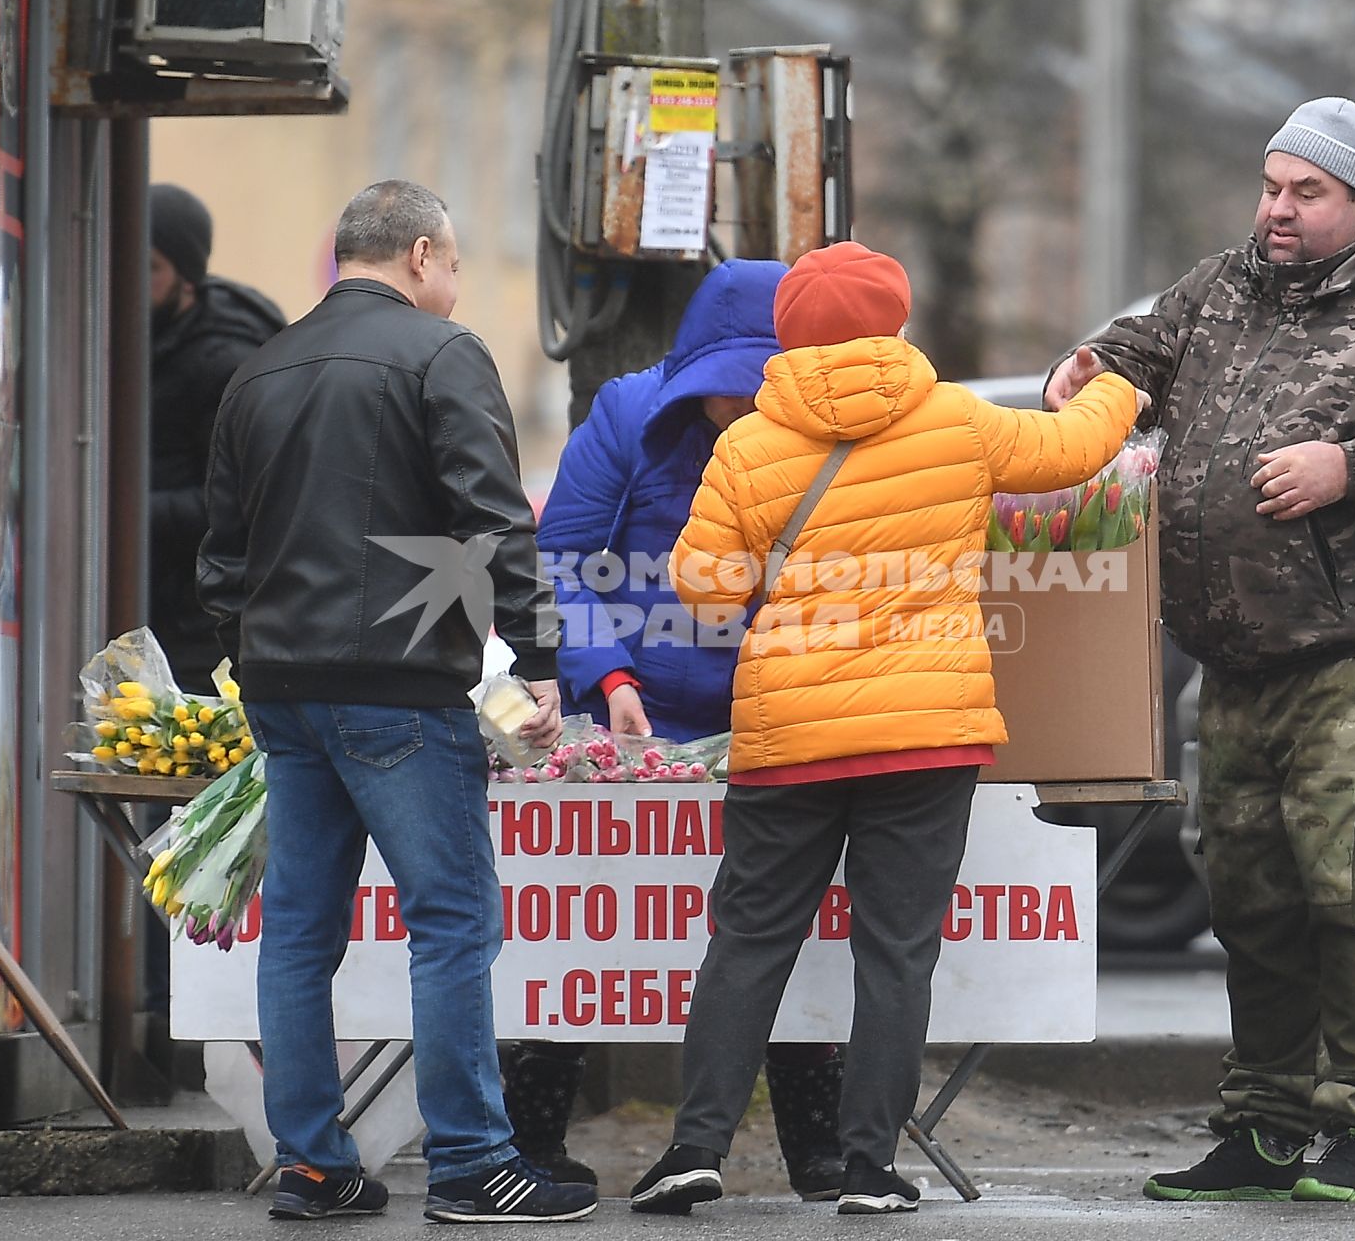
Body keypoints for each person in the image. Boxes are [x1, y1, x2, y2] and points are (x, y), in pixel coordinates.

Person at [1045, 97, 1355, 1205]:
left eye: (1304, 191)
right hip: (1230, 658)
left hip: (1353, 653)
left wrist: (1350, 468)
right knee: (1248, 896)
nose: (1276, 207)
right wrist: (1083, 372)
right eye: (1270, 185)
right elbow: (1130, 353)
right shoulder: (1219, 287)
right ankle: (1263, 1126)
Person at [630, 241, 1144, 1216]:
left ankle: (694, 1147)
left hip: (787, 739)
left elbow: (703, 592)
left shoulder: (746, 443)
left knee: (746, 942)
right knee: (894, 950)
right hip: (923, 732)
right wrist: (1108, 385)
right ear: (893, 321)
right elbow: (1074, 452)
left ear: (787, 332)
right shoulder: (955, 420)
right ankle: (867, 1165)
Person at [199, 180, 597, 1225]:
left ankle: (314, 1165)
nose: (455, 286)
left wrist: (249, 660)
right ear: (422, 255)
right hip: (399, 692)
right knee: (453, 919)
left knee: (296, 932)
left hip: (284, 689)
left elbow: (221, 557)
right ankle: (472, 1161)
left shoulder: (258, 368)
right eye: (455, 266)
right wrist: (540, 660)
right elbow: (494, 521)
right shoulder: (440, 354)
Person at [530, 258, 848, 1200]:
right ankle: (536, 1136)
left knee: (787, 927)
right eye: (722, 392)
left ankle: (817, 1150)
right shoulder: (628, 415)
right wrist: (606, 675)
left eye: (758, 390)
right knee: (574, 930)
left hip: (770, 713)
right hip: (626, 712)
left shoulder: (822, 433)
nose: (737, 411)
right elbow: (560, 559)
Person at [147, 183, 284, 690]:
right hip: (145, 603)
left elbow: (240, 502)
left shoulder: (225, 362)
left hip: (199, 622)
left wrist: (126, 514)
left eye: (150, 268)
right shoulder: (120, 336)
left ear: (185, 277)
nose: (129, 282)